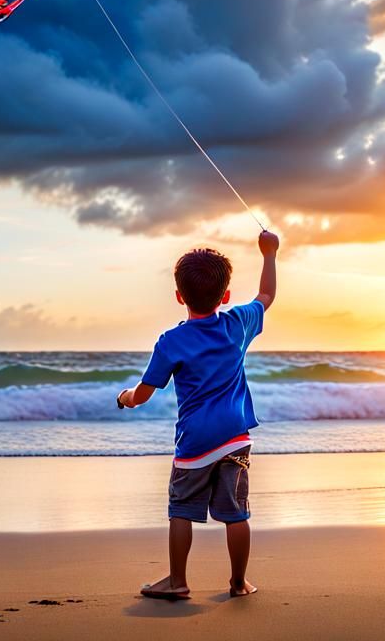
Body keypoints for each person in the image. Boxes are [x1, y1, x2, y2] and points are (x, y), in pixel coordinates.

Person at [117, 229, 279, 600]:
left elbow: (142, 395)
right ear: (224, 296)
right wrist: (269, 254)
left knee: (182, 510)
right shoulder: (237, 324)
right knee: (237, 513)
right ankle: (238, 583)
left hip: (195, 443)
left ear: (179, 297)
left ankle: (178, 581)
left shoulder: (171, 341)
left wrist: (124, 397)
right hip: (236, 437)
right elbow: (266, 296)